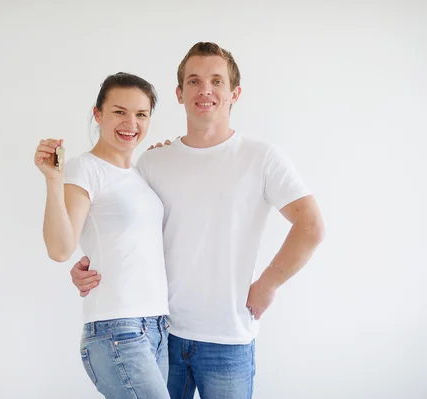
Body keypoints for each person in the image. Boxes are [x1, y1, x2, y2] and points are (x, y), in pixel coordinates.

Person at [70, 42, 325, 399]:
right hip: (161, 334)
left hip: (228, 339)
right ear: (179, 93)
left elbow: (311, 227)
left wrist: (268, 284)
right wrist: (89, 263)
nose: (205, 89)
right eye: (193, 81)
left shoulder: (262, 158)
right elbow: (125, 228)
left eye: (216, 81)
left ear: (234, 93)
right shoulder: (152, 162)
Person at [34, 72, 171, 398]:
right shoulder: (86, 168)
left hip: (157, 327)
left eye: (141, 114)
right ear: (98, 114)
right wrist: (54, 181)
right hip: (117, 329)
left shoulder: (140, 176)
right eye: (119, 112)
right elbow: (60, 248)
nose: (131, 123)